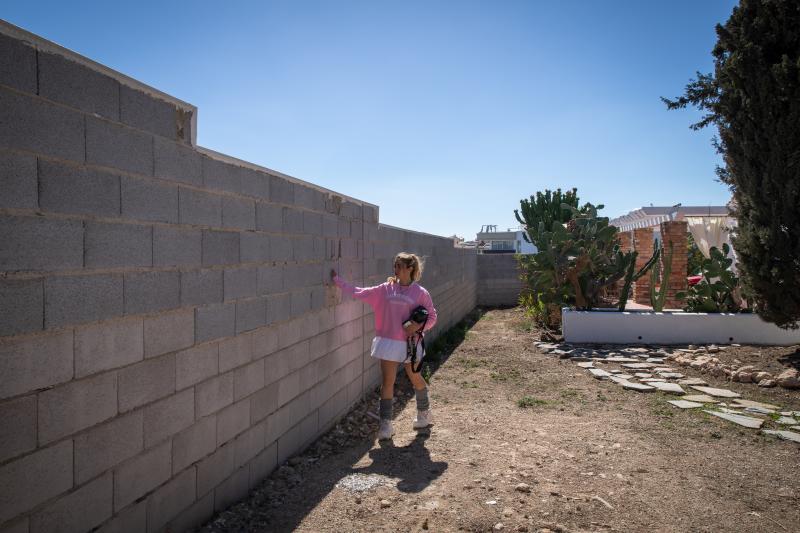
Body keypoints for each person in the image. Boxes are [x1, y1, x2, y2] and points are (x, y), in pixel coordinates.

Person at [331, 252, 438, 440]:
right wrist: (338, 282)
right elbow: (360, 292)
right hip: (389, 343)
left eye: (399, 266)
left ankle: (423, 413)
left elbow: (432, 317)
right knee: (387, 381)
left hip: (411, 344)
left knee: (415, 377)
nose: (395, 269)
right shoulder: (385, 289)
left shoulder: (420, 292)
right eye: (395, 265)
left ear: (410, 268)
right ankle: (386, 425)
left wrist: (418, 327)